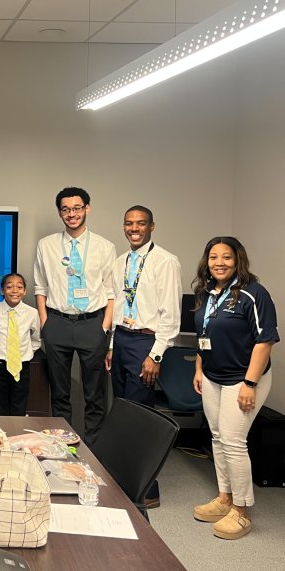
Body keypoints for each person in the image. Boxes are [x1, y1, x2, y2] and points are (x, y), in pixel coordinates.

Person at [191, 237, 278, 540]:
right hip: (213, 376)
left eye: (226, 257)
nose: (219, 263)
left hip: (243, 378)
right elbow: (203, 334)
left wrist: (249, 384)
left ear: (237, 259)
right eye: (213, 257)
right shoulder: (205, 292)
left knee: (233, 440)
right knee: (217, 437)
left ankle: (241, 511)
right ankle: (224, 498)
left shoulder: (254, 294)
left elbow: (265, 340)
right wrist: (199, 369)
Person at [106, 205, 182, 508]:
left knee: (141, 415)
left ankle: (148, 489)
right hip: (123, 338)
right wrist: (112, 344)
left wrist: (156, 356)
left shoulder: (165, 261)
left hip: (147, 343)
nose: (133, 228)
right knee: (123, 411)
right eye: (128, 223)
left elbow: (171, 315)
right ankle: (124, 479)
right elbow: (120, 307)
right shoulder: (121, 261)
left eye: (140, 223)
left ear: (152, 226)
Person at [33, 187, 116, 445]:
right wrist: (46, 324)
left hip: (92, 323)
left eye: (77, 208)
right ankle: (63, 446)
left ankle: (94, 449)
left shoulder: (105, 246)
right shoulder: (46, 246)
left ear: (87, 209)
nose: (72, 214)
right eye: (66, 209)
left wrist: (103, 328)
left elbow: (111, 292)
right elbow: (40, 288)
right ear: (60, 213)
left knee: (95, 394)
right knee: (59, 393)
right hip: (57, 323)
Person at [0, 273, 41, 416]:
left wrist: (25, 352)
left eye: (19, 287)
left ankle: (16, 436)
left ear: (25, 291)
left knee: (19, 404)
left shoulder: (32, 313)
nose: (15, 290)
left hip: (22, 365)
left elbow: (36, 338)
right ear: (2, 290)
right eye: (9, 287)